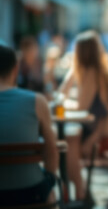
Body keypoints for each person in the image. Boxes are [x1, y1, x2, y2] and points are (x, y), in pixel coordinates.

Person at [59, 30, 108, 200]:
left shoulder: (91, 72)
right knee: (67, 140)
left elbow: (77, 106)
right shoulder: (106, 69)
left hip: (100, 132)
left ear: (80, 53)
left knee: (67, 141)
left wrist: (73, 71)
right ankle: (80, 191)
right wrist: (74, 71)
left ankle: (79, 191)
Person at [0, 45, 59, 206]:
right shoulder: (37, 101)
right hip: (31, 190)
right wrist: (51, 178)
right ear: (15, 69)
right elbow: (51, 148)